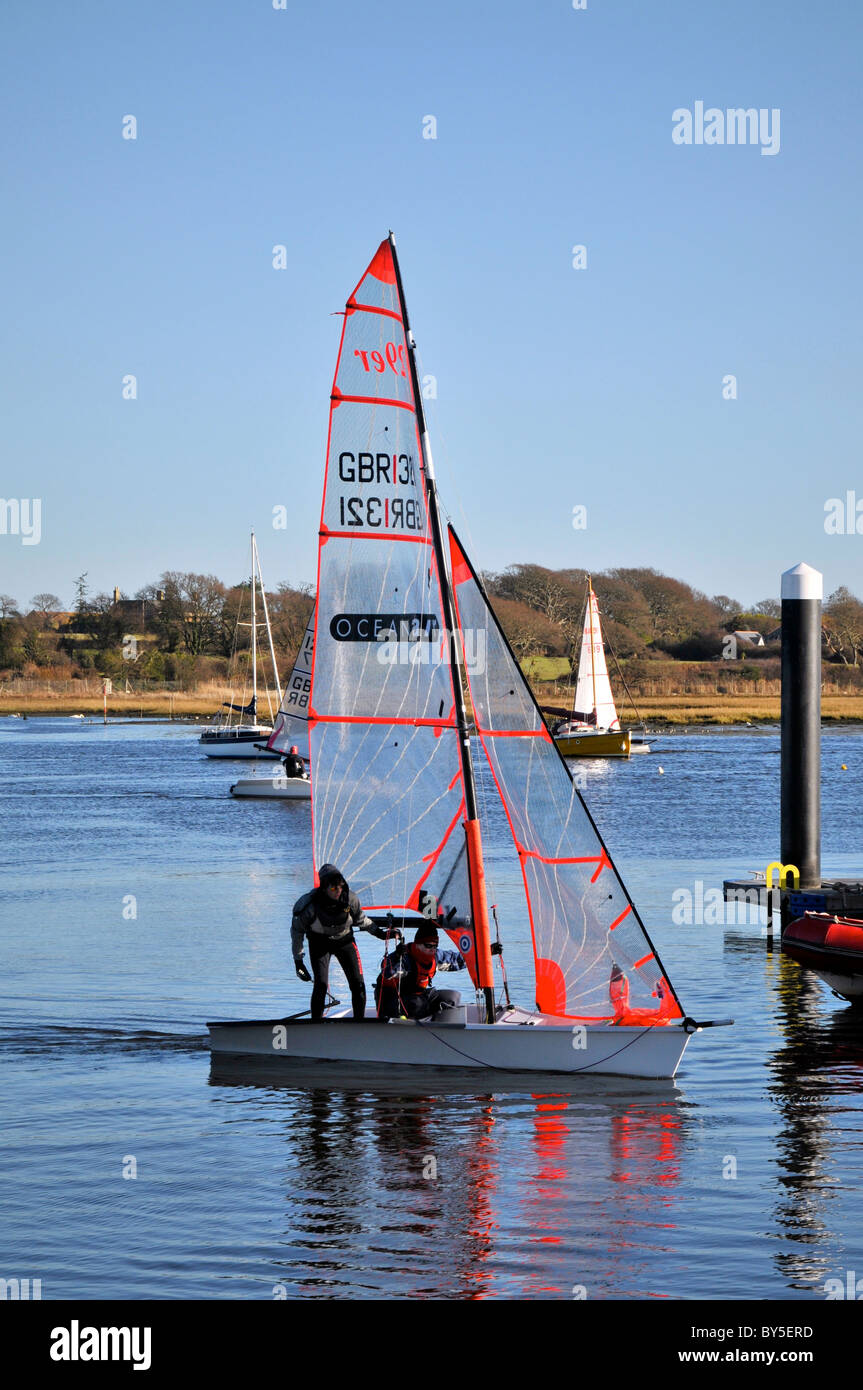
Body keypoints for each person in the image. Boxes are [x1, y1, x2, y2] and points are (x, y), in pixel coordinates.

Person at [292, 864, 395, 1020]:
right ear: (324, 888)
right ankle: (315, 1025)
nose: (338, 891)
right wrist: (298, 961)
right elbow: (297, 931)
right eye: (333, 889)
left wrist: (381, 934)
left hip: (345, 942)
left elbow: (362, 920)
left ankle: (359, 1024)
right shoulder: (308, 905)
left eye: (340, 887)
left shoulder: (351, 899)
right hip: (319, 944)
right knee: (320, 985)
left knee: (358, 985)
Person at [375, 922, 467, 1021]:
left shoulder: (436, 956)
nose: (432, 949)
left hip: (418, 997)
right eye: (428, 945)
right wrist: (397, 956)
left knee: (453, 997)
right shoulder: (405, 958)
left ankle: (438, 1029)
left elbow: (459, 960)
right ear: (417, 944)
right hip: (392, 1002)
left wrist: (479, 953)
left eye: (435, 946)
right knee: (417, 1004)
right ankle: (416, 1028)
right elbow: (387, 972)